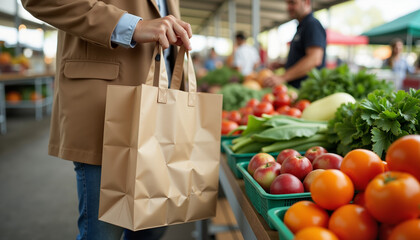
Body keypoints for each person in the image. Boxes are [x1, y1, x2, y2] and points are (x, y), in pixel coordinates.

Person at [20, 0, 192, 239]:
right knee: (104, 233)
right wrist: (131, 26)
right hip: (107, 105)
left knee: (152, 228)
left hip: (164, 111)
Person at [264, 0, 326, 88]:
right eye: (287, 3)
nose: (288, 7)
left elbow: (314, 59)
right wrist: (283, 64)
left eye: (292, 3)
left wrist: (283, 77)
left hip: (306, 91)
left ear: (306, 2)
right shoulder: (302, 27)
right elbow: (302, 57)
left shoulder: (312, 25)